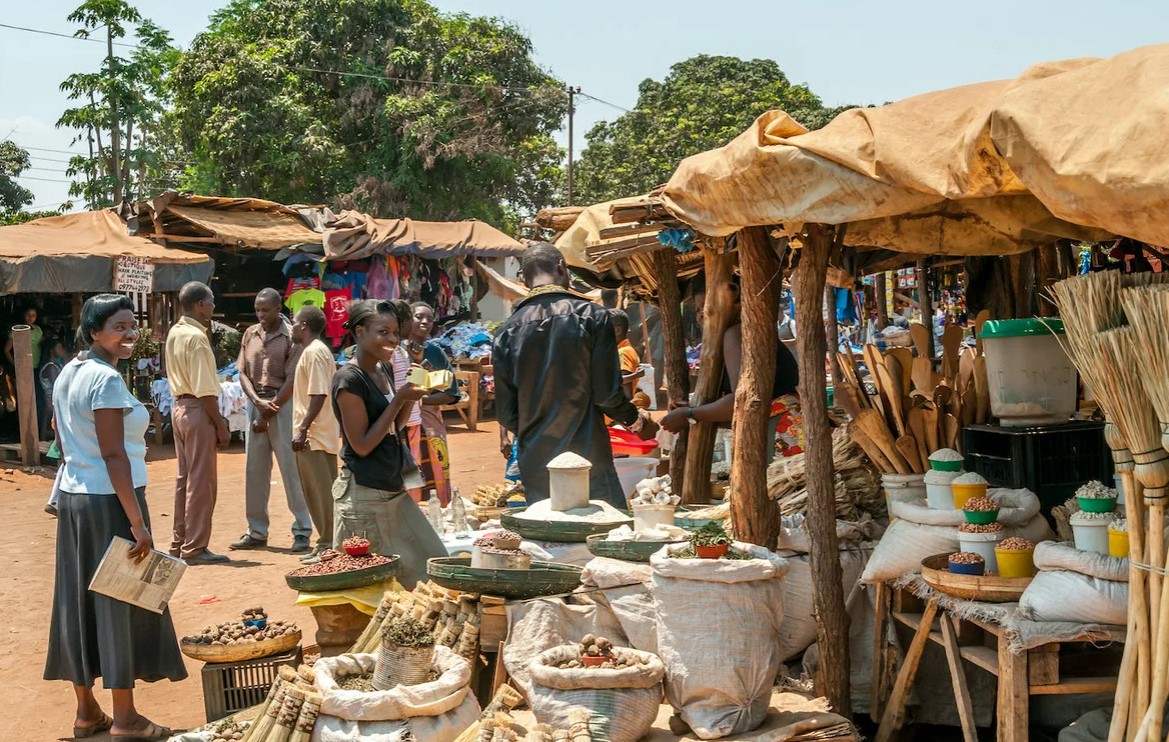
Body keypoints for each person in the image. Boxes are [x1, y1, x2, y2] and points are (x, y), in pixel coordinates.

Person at [45, 294, 184, 741]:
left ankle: (87, 713)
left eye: (131, 325)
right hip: (110, 502)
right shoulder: (104, 380)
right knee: (118, 600)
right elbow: (113, 453)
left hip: (75, 500)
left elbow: (59, 435)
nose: (130, 334)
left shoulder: (70, 371)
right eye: (119, 327)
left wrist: (77, 472)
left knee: (78, 601)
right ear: (93, 332)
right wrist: (138, 523)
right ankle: (126, 719)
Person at [493, 243, 658, 508]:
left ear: (524, 279)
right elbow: (607, 394)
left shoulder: (506, 331)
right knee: (605, 534)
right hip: (587, 454)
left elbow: (507, 413)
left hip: (537, 460)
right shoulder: (594, 317)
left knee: (551, 538)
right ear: (562, 268)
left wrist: (537, 430)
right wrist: (636, 422)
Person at [331, 299, 446, 588]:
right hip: (365, 498)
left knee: (435, 569)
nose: (393, 339)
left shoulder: (382, 370)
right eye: (383, 332)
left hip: (391, 490)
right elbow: (362, 446)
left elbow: (394, 426)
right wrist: (398, 399)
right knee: (375, 591)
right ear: (360, 332)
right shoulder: (348, 380)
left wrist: (410, 396)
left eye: (395, 332)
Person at [660, 276, 804, 460]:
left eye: (706, 305)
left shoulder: (735, 334)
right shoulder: (747, 331)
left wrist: (690, 414)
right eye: (697, 309)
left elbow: (742, 402)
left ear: (733, 295)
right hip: (786, 429)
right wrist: (696, 411)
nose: (701, 315)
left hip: (784, 434)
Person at [231, 288, 312, 553]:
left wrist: (269, 409)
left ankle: (302, 530)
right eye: (257, 310)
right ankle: (256, 531)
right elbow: (242, 372)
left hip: (283, 406)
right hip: (256, 404)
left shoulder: (292, 336)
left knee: (291, 470)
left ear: (279, 308)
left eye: (266, 310)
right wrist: (256, 403)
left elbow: (292, 379)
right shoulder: (250, 334)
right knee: (254, 471)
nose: (261, 315)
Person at [165, 282, 230, 565]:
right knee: (202, 482)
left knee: (185, 480)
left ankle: (180, 543)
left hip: (178, 407)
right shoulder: (196, 338)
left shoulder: (175, 333)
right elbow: (205, 390)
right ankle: (195, 547)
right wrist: (221, 424)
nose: (213, 307)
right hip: (196, 409)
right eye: (211, 302)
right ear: (201, 304)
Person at [290, 305, 341, 563]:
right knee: (319, 492)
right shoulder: (314, 352)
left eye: (294, 321)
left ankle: (327, 545)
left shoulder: (314, 353)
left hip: (315, 436)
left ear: (304, 327)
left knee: (320, 493)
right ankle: (327, 542)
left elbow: (319, 393)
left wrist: (303, 429)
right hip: (317, 434)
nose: (291, 325)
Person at [405, 301, 460, 505]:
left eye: (429, 318)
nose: (425, 321)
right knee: (410, 474)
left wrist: (417, 400)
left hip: (430, 424)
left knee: (436, 470)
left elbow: (451, 394)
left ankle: (441, 514)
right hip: (403, 425)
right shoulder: (396, 352)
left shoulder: (436, 353)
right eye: (419, 316)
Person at [389, 316, 425, 503]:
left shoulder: (402, 352)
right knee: (406, 471)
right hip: (399, 421)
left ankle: (413, 507)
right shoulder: (392, 354)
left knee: (411, 471)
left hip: (410, 419)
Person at [6, 305, 47, 436]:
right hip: (23, 370)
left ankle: (38, 430)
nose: (30, 318)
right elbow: (6, 350)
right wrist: (16, 365)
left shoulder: (38, 330)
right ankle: (21, 432)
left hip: (36, 368)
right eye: (28, 315)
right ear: (23, 315)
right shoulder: (16, 330)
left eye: (33, 315)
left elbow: (44, 346)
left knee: (37, 399)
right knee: (24, 400)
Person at [609, 309, 651, 410]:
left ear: (617, 331)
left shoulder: (623, 353)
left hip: (615, 415)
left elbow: (625, 386)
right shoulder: (621, 350)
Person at [39, 338, 68, 440]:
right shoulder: (50, 367)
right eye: (59, 348)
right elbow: (58, 386)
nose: (62, 350)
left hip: (57, 399)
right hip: (52, 400)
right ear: (52, 350)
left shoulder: (57, 365)